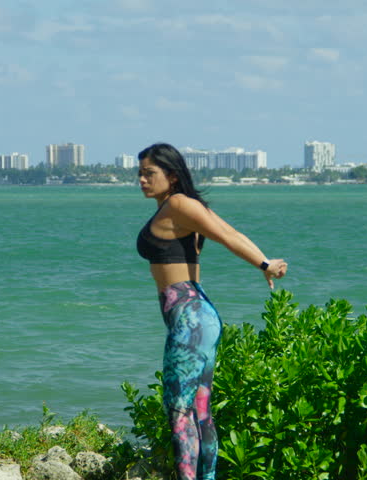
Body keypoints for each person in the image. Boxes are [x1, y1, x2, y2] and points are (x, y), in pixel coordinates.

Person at [135, 143, 288, 480]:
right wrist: (262, 261)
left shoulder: (178, 204)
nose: (142, 179)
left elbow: (228, 234)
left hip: (190, 318)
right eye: (140, 173)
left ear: (172, 176)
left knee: (179, 411)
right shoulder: (174, 206)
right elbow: (227, 231)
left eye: (150, 173)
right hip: (196, 317)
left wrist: (263, 263)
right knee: (199, 411)